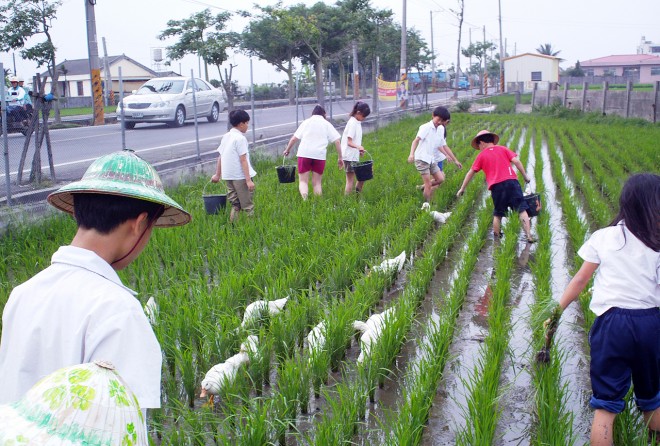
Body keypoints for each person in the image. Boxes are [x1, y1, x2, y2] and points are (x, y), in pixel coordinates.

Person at [0, 149, 191, 416]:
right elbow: (123, 428)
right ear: (140, 224)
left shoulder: (22, 294)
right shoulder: (118, 311)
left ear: (78, 211)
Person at [553, 173, 659, 446]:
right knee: (652, 397)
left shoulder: (605, 237)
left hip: (612, 324)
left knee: (606, 406)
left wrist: (557, 311)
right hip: (651, 323)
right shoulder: (657, 242)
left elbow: (580, 279)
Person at [456, 130, 535, 242]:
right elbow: (516, 161)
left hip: (497, 186)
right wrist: (525, 176)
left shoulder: (481, 155)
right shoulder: (503, 149)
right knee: (521, 209)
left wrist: (462, 188)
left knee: (498, 213)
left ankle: (497, 238)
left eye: (479, 145)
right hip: (512, 182)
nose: (479, 148)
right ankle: (529, 236)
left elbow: (471, 172)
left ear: (482, 142)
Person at [283, 105, 342, 199]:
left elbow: (294, 138)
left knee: (303, 181)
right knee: (317, 183)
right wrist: (340, 157)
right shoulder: (326, 124)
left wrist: (287, 150)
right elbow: (337, 141)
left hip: (304, 154)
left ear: (312, 113)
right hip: (319, 155)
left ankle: (305, 201)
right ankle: (318, 203)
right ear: (324, 114)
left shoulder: (306, 122)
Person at [408, 106, 462, 202]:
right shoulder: (425, 127)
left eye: (442, 120)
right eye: (438, 119)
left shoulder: (440, 129)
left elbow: (444, 145)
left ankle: (421, 187)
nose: (439, 122)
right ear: (433, 115)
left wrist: (455, 160)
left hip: (431, 159)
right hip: (422, 159)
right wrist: (411, 154)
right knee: (428, 184)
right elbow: (415, 141)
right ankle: (426, 205)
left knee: (440, 179)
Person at [211, 109, 256, 221]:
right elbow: (243, 160)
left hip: (228, 176)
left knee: (236, 205)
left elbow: (220, 156)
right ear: (241, 124)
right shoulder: (240, 139)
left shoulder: (226, 136)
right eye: (247, 123)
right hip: (240, 177)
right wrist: (248, 180)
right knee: (248, 206)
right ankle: (252, 228)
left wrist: (217, 175)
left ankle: (233, 228)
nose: (247, 126)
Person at [341, 101, 370, 195]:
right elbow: (349, 142)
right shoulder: (353, 123)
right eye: (363, 116)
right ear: (358, 113)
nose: (364, 118)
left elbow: (355, 141)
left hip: (353, 155)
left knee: (357, 178)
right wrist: (358, 147)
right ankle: (347, 202)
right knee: (350, 181)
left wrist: (359, 150)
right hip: (349, 156)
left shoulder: (357, 122)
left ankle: (356, 197)